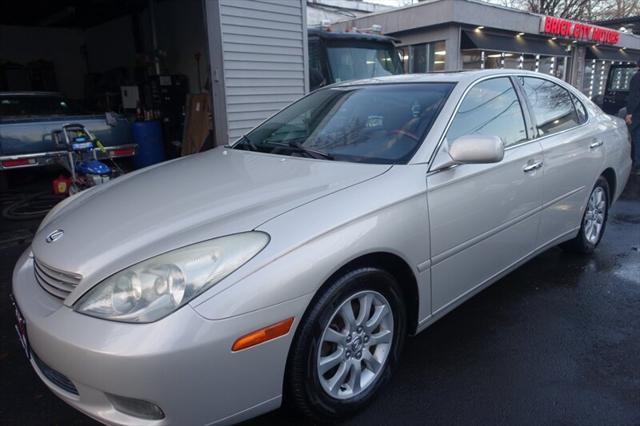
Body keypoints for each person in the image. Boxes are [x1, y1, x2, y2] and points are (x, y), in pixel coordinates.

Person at [625, 59, 640, 175]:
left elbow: (634, 97)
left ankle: (637, 165)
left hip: (637, 113)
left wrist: (630, 113)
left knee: (637, 138)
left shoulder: (636, 78)